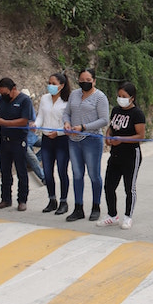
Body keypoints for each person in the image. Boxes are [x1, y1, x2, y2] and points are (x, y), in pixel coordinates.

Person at [97, 81, 146, 230]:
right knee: (109, 186)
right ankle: (112, 215)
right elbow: (111, 127)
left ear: (132, 98)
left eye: (124, 96)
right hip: (115, 154)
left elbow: (140, 135)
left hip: (131, 155)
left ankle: (128, 216)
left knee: (129, 187)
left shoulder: (137, 114)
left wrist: (122, 140)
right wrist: (108, 136)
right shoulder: (116, 110)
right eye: (119, 96)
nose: (121, 98)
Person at [63, 68, 110, 222]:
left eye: (88, 80)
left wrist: (84, 127)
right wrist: (67, 123)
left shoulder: (100, 97)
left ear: (94, 81)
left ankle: (96, 206)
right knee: (77, 174)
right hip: (74, 140)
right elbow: (66, 112)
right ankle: (78, 207)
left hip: (91, 139)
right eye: (82, 80)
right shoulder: (74, 94)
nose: (85, 83)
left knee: (94, 175)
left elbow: (104, 120)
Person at [0, 78, 33, 211]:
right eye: (1, 93)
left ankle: (22, 200)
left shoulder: (24, 100)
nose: (3, 96)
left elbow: (24, 121)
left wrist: (4, 122)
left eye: (6, 93)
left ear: (14, 89)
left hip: (18, 140)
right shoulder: (1, 100)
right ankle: (5, 199)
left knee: (21, 171)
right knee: (5, 171)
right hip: (4, 140)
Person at [35, 72, 71, 215]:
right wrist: (35, 125)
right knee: (47, 172)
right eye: (49, 83)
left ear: (61, 86)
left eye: (53, 84)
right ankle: (52, 200)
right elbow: (40, 117)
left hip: (61, 139)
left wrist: (58, 132)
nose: (50, 86)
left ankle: (63, 201)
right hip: (46, 139)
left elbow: (69, 122)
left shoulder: (67, 101)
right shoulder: (44, 99)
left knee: (62, 171)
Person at [21, 88, 45, 184]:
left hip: (33, 137)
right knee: (32, 158)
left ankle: (32, 163)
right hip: (23, 141)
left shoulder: (30, 109)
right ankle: (43, 177)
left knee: (49, 144)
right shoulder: (19, 110)